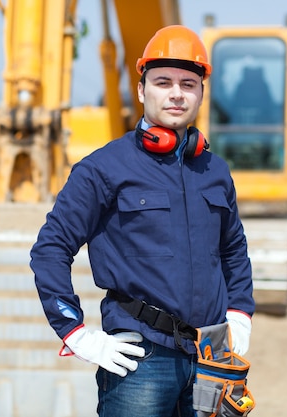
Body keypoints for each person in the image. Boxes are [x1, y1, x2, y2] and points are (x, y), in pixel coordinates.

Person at [30, 25, 254, 417]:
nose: (176, 93)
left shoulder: (215, 170)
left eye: (188, 83)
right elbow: (51, 249)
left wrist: (240, 311)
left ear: (201, 93)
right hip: (141, 358)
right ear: (141, 90)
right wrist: (75, 331)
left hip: (213, 356)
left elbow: (233, 250)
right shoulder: (103, 168)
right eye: (163, 81)